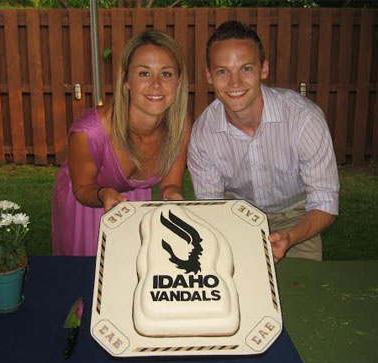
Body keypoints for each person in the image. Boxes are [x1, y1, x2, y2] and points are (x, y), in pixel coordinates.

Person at [187, 21, 339, 263]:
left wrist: (291, 236)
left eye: (246, 69)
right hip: (238, 217)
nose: (234, 83)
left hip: (299, 217)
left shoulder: (303, 119)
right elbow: (211, 207)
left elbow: (325, 202)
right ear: (209, 76)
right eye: (222, 71)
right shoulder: (203, 134)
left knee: (304, 291)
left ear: (264, 69)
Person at [52, 30, 191, 256]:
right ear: (126, 80)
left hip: (135, 202)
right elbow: (83, 188)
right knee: (86, 280)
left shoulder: (180, 125)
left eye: (166, 74)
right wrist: (103, 194)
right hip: (89, 202)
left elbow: (170, 185)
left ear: (179, 80)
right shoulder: (90, 132)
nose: (156, 84)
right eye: (144, 73)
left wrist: (173, 196)